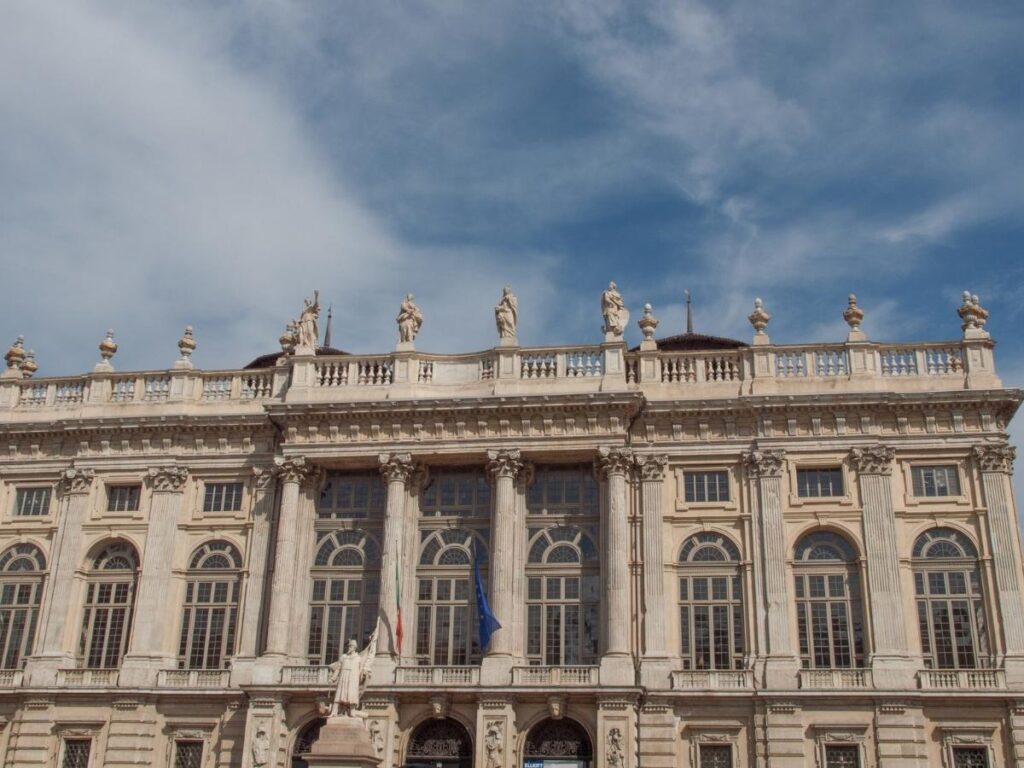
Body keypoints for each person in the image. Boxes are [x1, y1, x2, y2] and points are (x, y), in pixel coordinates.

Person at [329, 628, 378, 717]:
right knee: (339, 694)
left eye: (351, 646)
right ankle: (334, 712)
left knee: (352, 695)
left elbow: (361, 669)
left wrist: (362, 676)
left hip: (353, 678)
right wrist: (333, 678)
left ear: (354, 648)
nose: (349, 648)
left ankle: (352, 711)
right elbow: (338, 669)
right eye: (348, 646)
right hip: (343, 677)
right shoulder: (343, 657)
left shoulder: (358, 658)